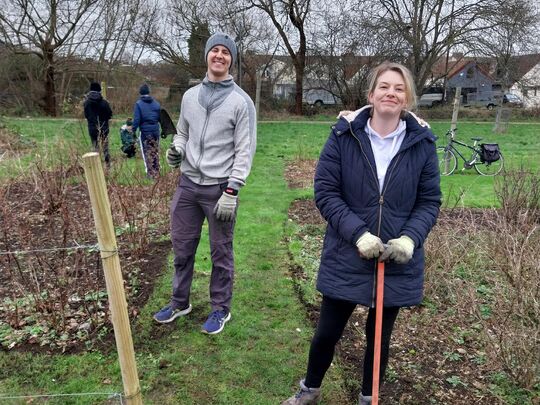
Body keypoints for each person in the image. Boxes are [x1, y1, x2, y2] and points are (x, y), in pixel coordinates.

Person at [282, 62, 441, 405]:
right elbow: (325, 192)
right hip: (348, 251)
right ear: (371, 95)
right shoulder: (344, 135)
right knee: (327, 332)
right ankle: (309, 389)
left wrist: (410, 239)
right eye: (384, 86)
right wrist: (358, 235)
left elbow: (429, 201)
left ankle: (369, 398)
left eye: (399, 88)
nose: (391, 93)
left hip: (394, 258)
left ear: (408, 98)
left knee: (379, 338)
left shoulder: (422, 143)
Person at [153, 33, 256, 335]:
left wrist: (232, 190)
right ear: (207, 56)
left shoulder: (241, 102)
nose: (219, 56)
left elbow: (245, 149)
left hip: (219, 189)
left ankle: (220, 309)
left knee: (220, 253)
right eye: (215, 51)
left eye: (226, 52)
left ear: (231, 60)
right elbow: (182, 133)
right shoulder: (189, 97)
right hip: (188, 186)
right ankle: (179, 301)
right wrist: (177, 150)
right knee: (182, 248)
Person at [132, 83, 161, 179]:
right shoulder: (156, 104)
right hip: (156, 131)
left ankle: (150, 174)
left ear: (140, 93)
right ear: (149, 92)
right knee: (155, 151)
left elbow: (136, 119)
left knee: (146, 152)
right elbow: (161, 118)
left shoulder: (138, 104)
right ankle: (157, 171)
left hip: (145, 132)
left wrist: (133, 130)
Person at [84, 81, 113, 168]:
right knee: (105, 146)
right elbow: (109, 114)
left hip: (92, 127)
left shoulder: (87, 103)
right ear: (99, 90)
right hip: (104, 127)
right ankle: (108, 164)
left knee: (95, 145)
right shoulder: (104, 103)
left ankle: (96, 165)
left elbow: (86, 115)